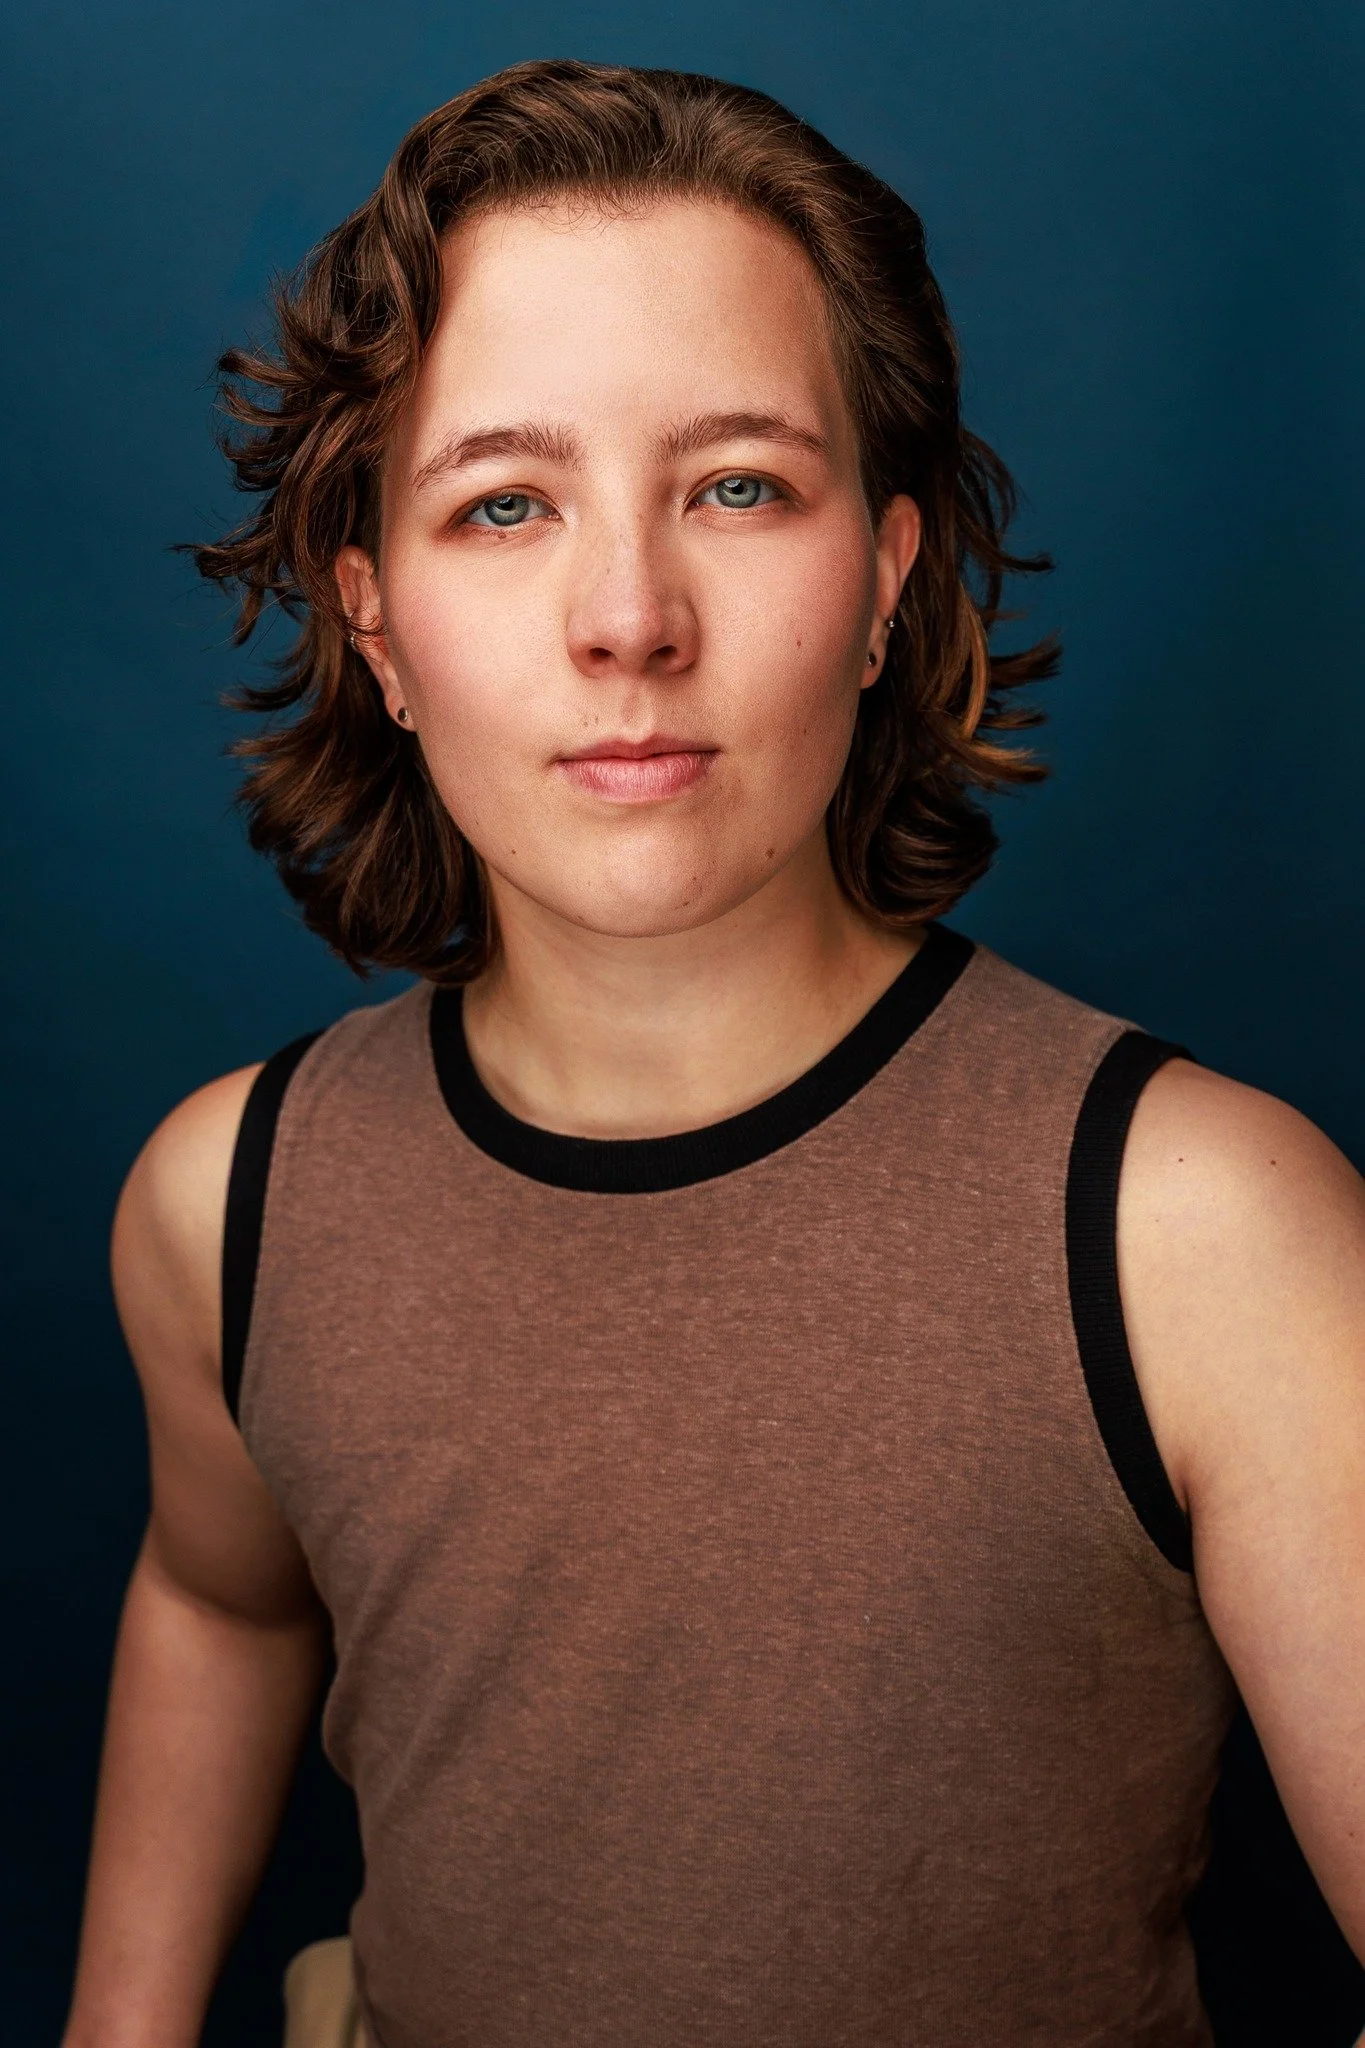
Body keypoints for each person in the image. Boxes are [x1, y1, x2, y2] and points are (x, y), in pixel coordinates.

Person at [61, 59, 1365, 2048]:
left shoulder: (1200, 1228)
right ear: (379, 628)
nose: (626, 615)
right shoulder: (224, 1202)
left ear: (887, 584)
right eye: (503, 505)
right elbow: (221, 1603)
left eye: (738, 486)